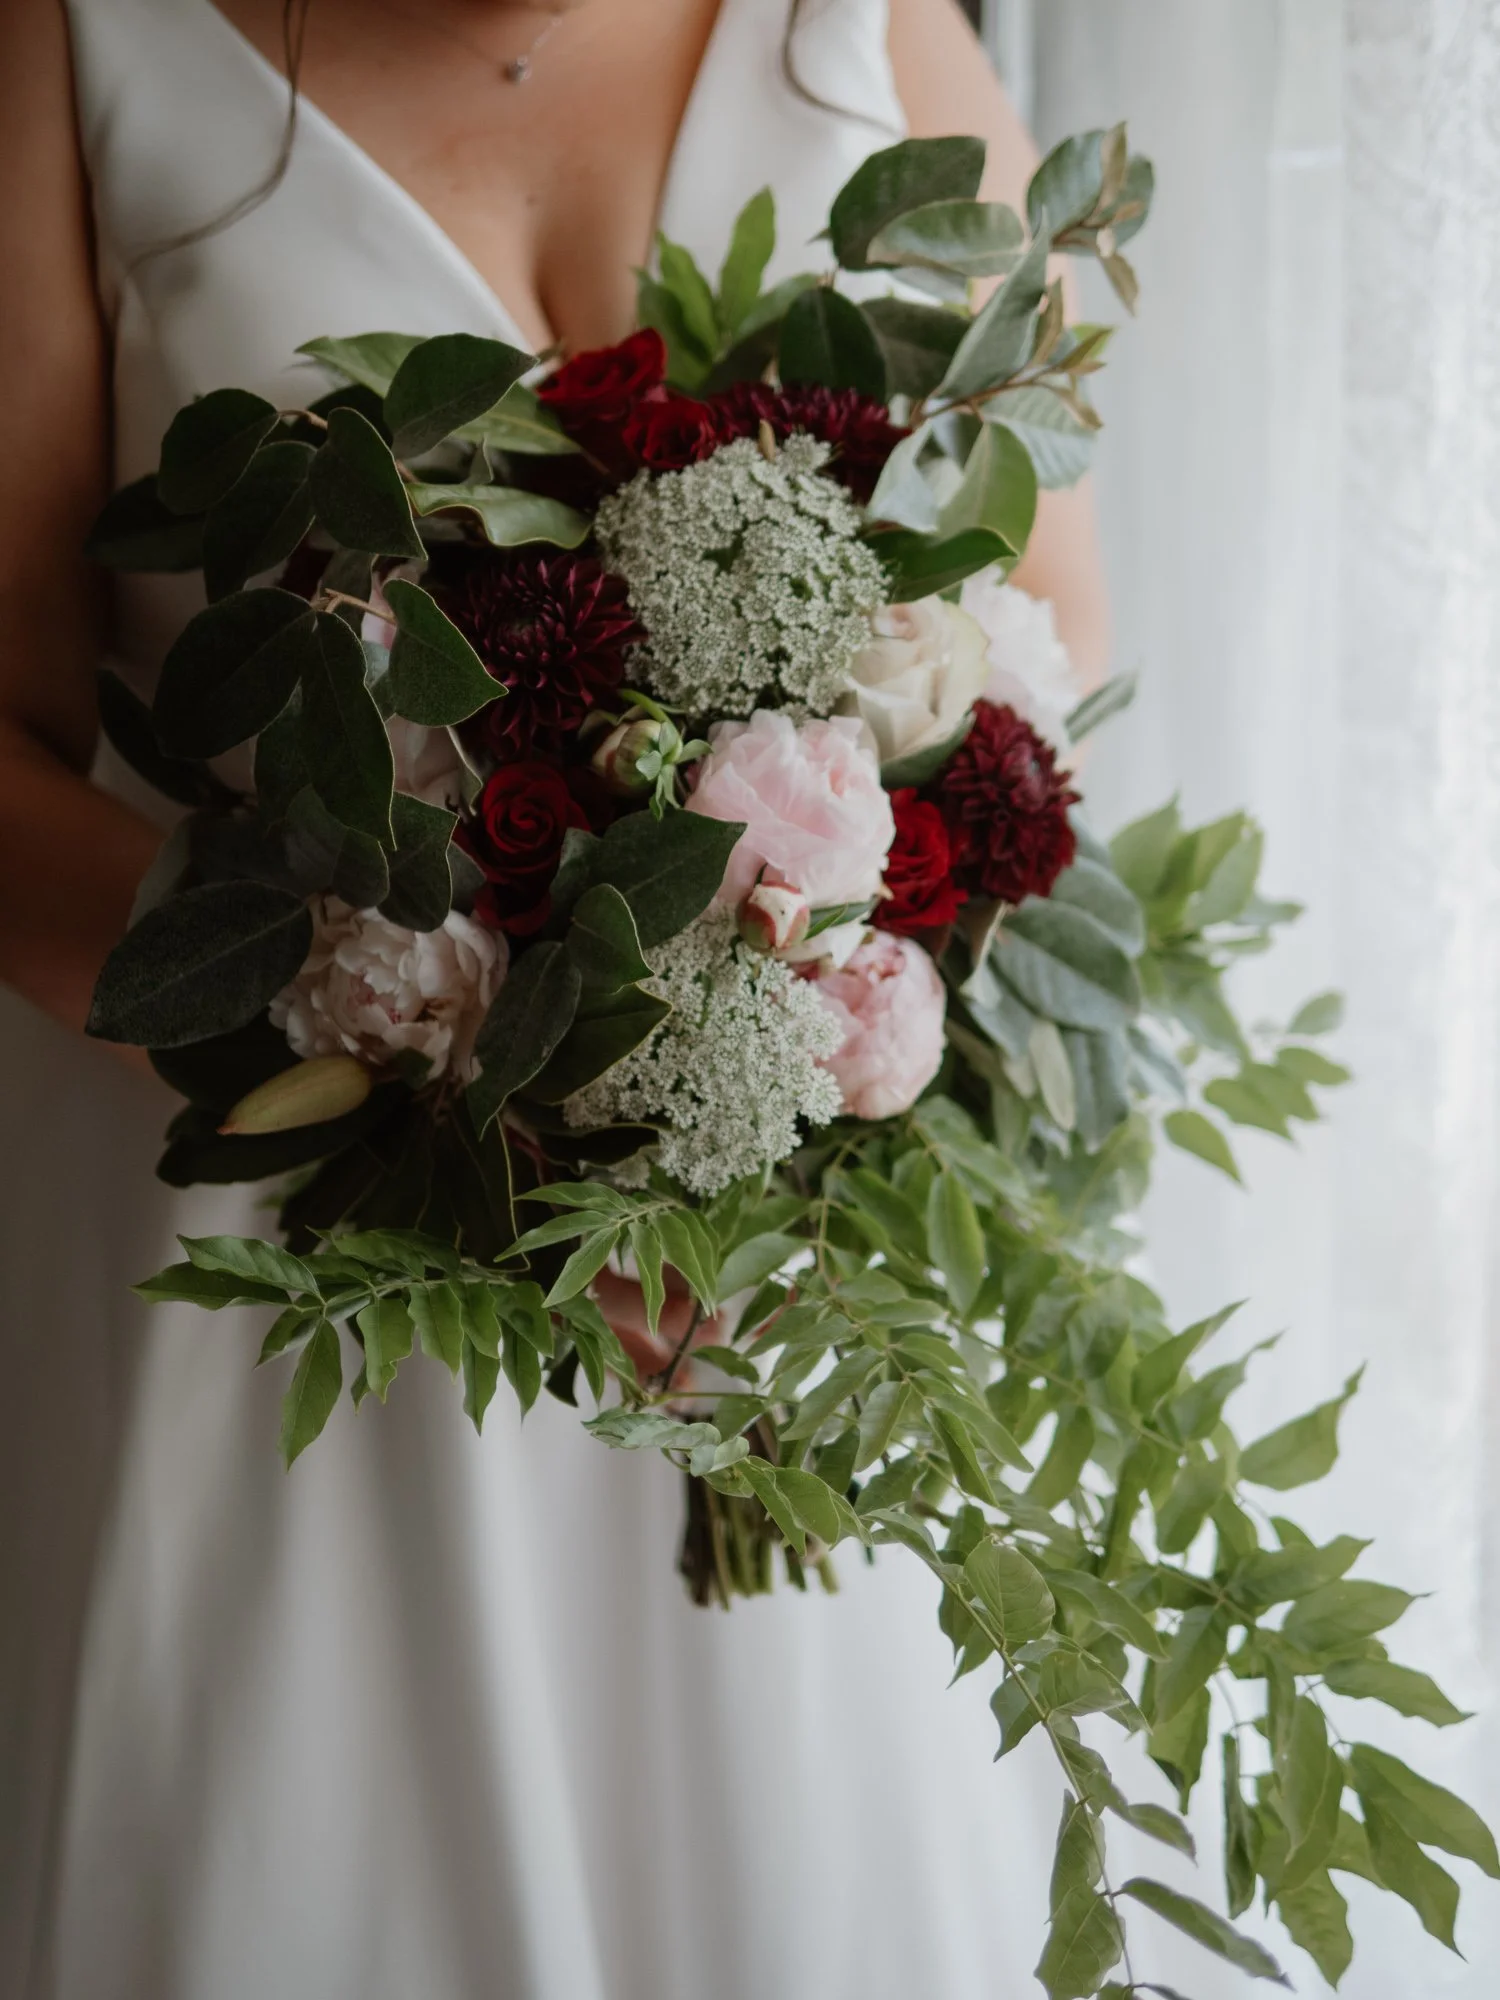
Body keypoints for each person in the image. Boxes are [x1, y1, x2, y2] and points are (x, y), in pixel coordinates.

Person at [0, 5, 1110, 1995]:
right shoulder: (76, 51)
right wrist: (438, 1069)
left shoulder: (871, 37)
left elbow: (1043, 635)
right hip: (289, 1305)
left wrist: (808, 990)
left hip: (764, 1304)